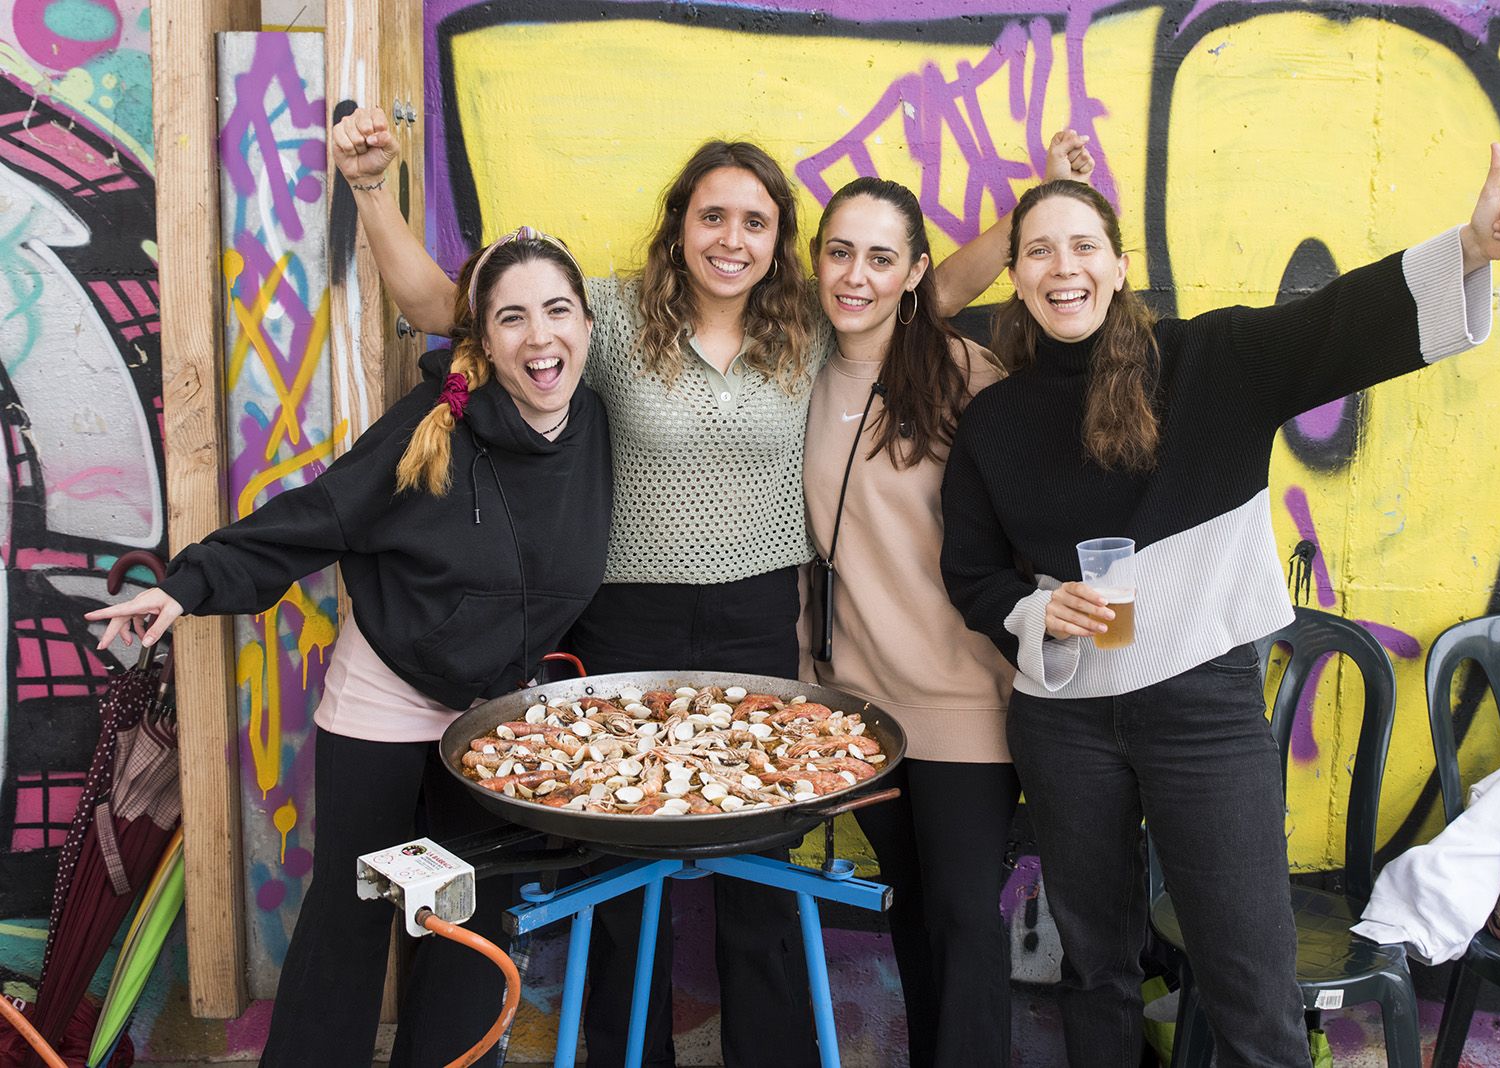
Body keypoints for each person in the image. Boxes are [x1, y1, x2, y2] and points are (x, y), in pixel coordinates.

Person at [331, 104, 1091, 1066]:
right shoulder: (602, 316)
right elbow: (445, 307)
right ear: (679, 228)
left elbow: (929, 289)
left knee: (760, 884)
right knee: (619, 875)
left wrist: (1035, 208)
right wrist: (368, 190)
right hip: (624, 625)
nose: (732, 240)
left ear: (779, 247)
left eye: (755, 223)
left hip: (757, 623)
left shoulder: (810, 325)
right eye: (712, 217)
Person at [939, 147, 1500, 1067]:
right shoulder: (993, 422)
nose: (1063, 268)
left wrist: (1468, 247)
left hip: (1202, 706)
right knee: (1096, 971)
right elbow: (972, 575)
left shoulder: (1212, 361)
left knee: (1250, 984)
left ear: (1117, 263)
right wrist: (1034, 610)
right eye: (1038, 252)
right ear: (1016, 277)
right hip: (1064, 721)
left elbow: (1335, 324)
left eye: (1082, 246)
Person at [86, 231, 612, 1068]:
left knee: (470, 915)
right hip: (387, 700)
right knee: (354, 909)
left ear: (588, 324)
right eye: (511, 317)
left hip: (495, 715)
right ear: (482, 337)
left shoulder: (598, 428)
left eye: (556, 311)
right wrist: (188, 585)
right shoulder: (435, 424)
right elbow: (320, 517)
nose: (538, 337)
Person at [799, 176, 1019, 1066]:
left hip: (966, 701)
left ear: (916, 272)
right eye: (839, 252)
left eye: (882, 257)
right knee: (915, 909)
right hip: (857, 712)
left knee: (966, 921)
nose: (856, 275)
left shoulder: (966, 375)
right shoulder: (792, 364)